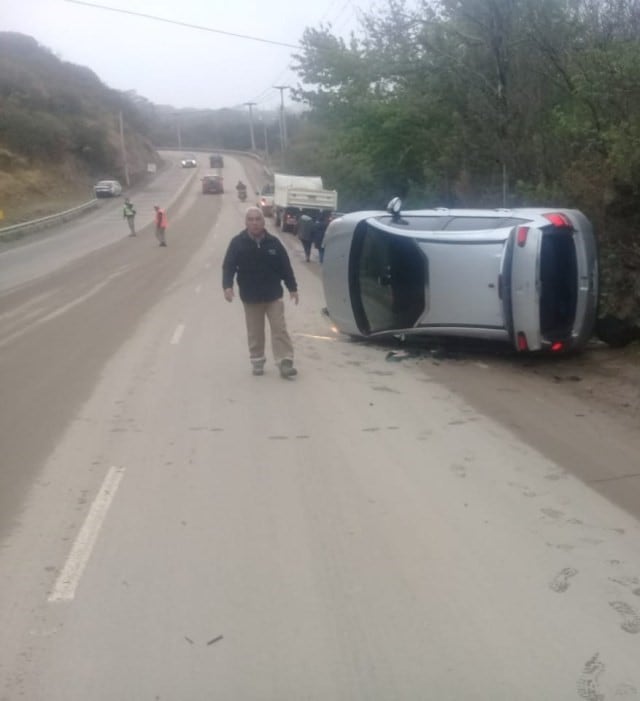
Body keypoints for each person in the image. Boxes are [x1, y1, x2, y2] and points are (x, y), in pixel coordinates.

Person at [222, 206, 299, 378]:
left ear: (264, 222)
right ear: (246, 223)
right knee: (255, 331)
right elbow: (228, 267)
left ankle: (285, 361)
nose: (255, 223)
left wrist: (292, 288)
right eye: (251, 219)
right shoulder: (237, 243)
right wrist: (227, 286)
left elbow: (285, 267)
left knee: (279, 328)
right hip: (251, 296)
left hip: (273, 295)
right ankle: (257, 360)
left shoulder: (274, 243)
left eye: (258, 219)